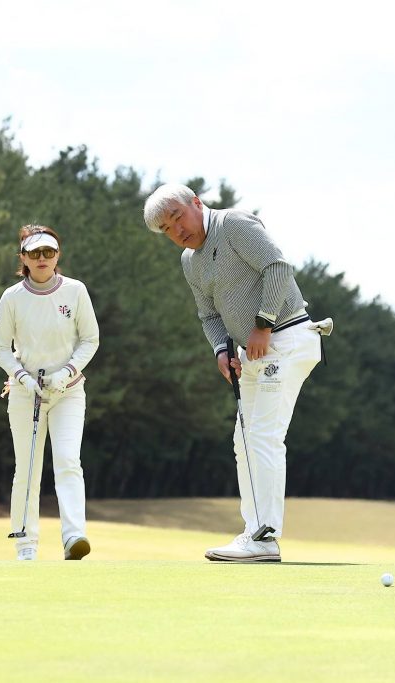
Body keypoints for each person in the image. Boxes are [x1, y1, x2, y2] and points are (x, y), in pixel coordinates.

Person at [143, 184, 332, 562]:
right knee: (243, 441)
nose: (176, 231)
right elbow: (209, 315)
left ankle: (265, 536)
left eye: (178, 217)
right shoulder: (189, 260)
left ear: (197, 203)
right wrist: (221, 350)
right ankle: (254, 533)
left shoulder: (232, 224)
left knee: (262, 435)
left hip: (286, 337)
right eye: (166, 229)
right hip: (252, 352)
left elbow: (277, 267)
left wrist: (263, 324)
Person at [0, 225, 100, 561]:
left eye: (49, 252)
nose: (42, 258)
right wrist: (22, 377)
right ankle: (26, 544)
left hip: (68, 390)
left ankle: (74, 536)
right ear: (23, 257)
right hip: (26, 393)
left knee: (68, 461)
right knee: (27, 467)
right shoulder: (12, 297)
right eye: (35, 253)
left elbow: (90, 340)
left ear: (57, 255)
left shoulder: (75, 290)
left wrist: (66, 373)